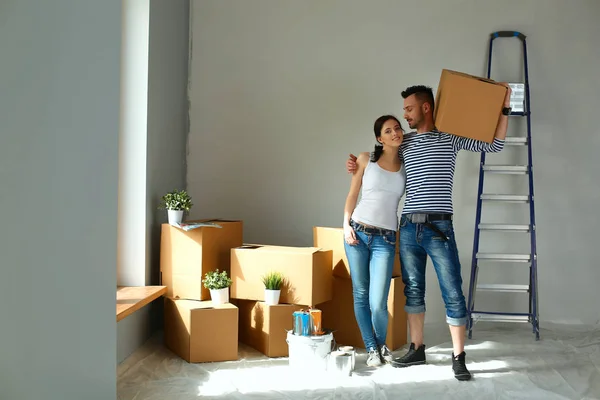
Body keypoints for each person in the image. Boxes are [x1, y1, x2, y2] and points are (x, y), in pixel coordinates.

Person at [346, 84, 512, 380]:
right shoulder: (404, 142)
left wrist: (505, 105)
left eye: (408, 109)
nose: (404, 116)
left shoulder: (450, 137)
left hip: (439, 227)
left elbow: (495, 145)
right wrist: (356, 164)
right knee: (413, 291)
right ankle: (417, 349)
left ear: (425, 108)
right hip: (408, 227)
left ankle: (458, 357)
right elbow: (378, 159)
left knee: (452, 291)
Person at [343, 115, 407, 367]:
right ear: (380, 138)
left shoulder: (407, 163)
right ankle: (372, 349)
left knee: (378, 301)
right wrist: (345, 226)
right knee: (360, 294)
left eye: (398, 128)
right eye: (388, 131)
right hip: (357, 232)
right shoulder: (364, 159)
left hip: (386, 238)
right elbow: (352, 194)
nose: (395, 133)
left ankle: (381, 345)